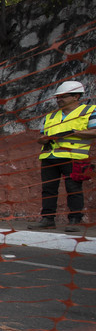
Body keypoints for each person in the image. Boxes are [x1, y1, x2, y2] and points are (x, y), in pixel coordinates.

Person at [30, 80, 96, 232]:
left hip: (74, 156)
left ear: (76, 97)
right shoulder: (51, 116)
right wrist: (44, 139)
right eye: (58, 98)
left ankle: (74, 220)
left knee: (73, 188)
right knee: (48, 189)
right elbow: (41, 136)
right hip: (49, 156)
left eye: (63, 97)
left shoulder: (90, 111)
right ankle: (47, 219)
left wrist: (75, 133)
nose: (59, 100)